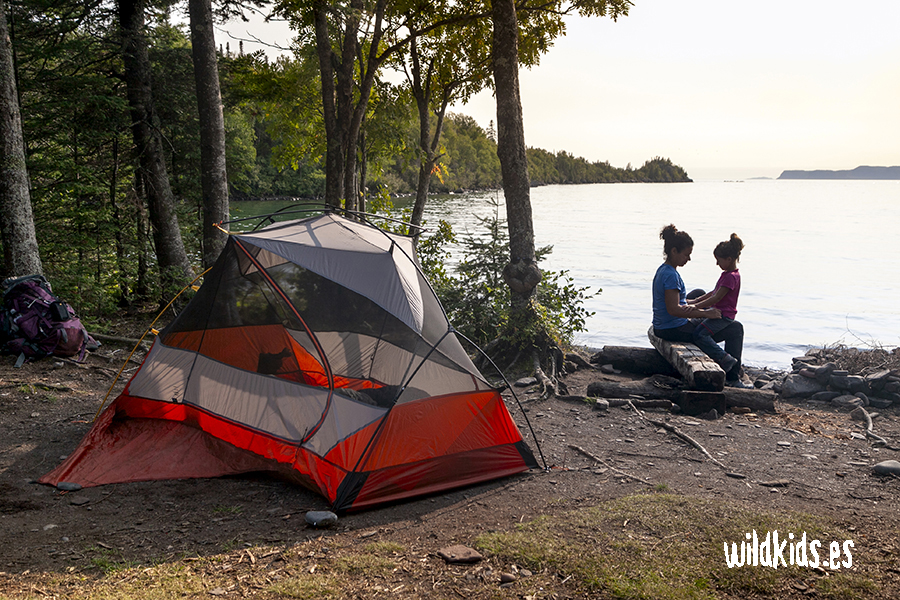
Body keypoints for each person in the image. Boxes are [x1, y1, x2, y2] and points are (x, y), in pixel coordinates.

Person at [651, 225, 748, 387]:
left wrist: (694, 305)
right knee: (735, 329)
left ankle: (732, 371)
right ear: (674, 251)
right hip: (672, 329)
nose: (688, 259)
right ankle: (732, 375)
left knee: (698, 292)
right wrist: (705, 313)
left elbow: (677, 303)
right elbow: (674, 309)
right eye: (686, 255)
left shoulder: (665, 270)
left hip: (666, 325)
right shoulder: (670, 276)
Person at [687, 233, 749, 387]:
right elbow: (712, 293)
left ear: (729, 259)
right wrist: (695, 301)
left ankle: (724, 358)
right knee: (696, 324)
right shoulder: (728, 274)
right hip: (718, 312)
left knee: (700, 334)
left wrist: (695, 307)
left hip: (723, 316)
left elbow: (716, 298)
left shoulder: (731, 277)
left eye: (718, 260)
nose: (717, 264)